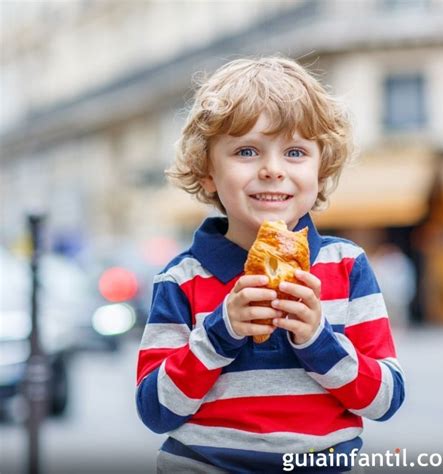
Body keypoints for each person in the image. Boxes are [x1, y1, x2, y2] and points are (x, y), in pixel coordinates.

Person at [135, 56, 405, 473]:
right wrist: (220, 332)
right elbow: (156, 410)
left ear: (322, 168)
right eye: (246, 151)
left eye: (295, 152)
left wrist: (318, 338)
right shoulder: (181, 279)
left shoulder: (346, 265)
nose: (272, 170)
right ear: (208, 172)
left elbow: (384, 400)